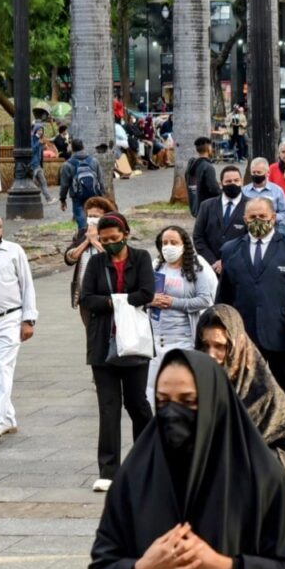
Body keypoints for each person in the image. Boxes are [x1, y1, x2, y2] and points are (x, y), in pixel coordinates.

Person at [89, 349, 285, 569]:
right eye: (163, 402)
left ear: (215, 402)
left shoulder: (260, 479)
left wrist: (224, 567)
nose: (173, 413)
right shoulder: (134, 478)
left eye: (188, 401)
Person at [217, 198, 285, 417]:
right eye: (252, 217)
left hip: (283, 332)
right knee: (246, 391)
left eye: (262, 216)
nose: (258, 221)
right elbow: (224, 296)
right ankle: (252, 440)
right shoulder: (230, 250)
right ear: (245, 219)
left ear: (273, 217)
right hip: (245, 335)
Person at [79, 212, 155, 492]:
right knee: (108, 408)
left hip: (134, 342)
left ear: (125, 234)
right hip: (103, 344)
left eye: (115, 238)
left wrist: (112, 301)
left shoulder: (141, 258)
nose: (110, 243)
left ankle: (148, 462)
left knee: (137, 404)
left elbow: (146, 292)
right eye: (105, 239)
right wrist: (120, 302)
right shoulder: (97, 262)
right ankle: (108, 471)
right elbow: (86, 299)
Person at [195, 305, 285, 491]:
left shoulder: (265, 395)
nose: (211, 355)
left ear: (237, 345)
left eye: (220, 346)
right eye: (205, 346)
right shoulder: (192, 388)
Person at [146, 226, 218, 402]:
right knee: (152, 393)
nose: (168, 246)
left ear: (184, 244)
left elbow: (204, 300)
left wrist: (173, 302)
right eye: (165, 243)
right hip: (156, 338)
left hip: (183, 338)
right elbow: (143, 295)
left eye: (173, 242)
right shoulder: (156, 266)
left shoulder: (196, 268)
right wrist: (151, 300)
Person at [0, 213, 38, 439]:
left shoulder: (14, 251)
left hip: (10, 317)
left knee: (3, 367)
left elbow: (27, 285)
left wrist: (28, 319)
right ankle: (8, 416)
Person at [65, 197, 117, 323]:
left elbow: (115, 257)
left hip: (106, 296)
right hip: (85, 296)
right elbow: (69, 258)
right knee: (91, 334)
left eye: (96, 216)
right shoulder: (82, 234)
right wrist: (86, 241)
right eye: (90, 215)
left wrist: (95, 241)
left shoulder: (112, 234)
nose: (92, 219)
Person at [193, 166, 247, 275]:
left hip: (240, 269)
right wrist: (213, 262)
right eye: (228, 181)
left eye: (236, 180)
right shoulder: (206, 206)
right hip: (211, 269)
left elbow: (252, 239)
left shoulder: (251, 207)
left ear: (242, 182)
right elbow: (198, 237)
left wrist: (228, 263)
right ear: (221, 184)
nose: (233, 183)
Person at [59, 139, 106, 232]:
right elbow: (101, 179)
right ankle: (95, 234)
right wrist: (102, 194)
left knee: (81, 217)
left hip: (77, 196)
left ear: (72, 148)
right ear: (83, 147)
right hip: (94, 194)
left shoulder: (67, 164)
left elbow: (64, 185)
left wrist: (62, 199)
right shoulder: (93, 161)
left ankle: (84, 233)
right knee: (95, 217)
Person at [243, 158, 285, 234]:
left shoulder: (277, 191)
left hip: (273, 231)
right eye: (253, 172)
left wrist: (270, 218)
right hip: (249, 232)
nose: (256, 175)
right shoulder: (244, 191)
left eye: (259, 172)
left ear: (268, 173)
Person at [185, 137, 221, 217]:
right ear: (209, 148)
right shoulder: (207, 167)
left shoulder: (191, 166)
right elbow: (214, 190)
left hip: (195, 208)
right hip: (207, 209)